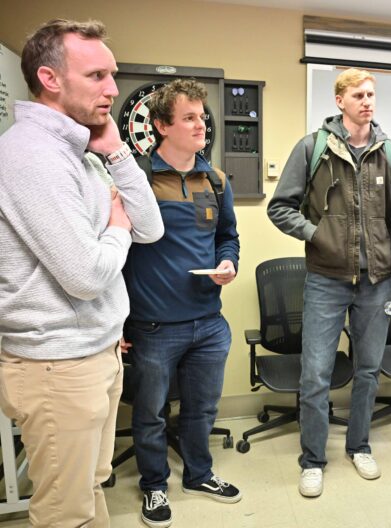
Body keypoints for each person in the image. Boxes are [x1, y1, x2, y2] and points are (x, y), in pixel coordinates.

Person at [0, 19, 163, 527]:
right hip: (56, 366)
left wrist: (116, 151)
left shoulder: (82, 148)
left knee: (90, 489)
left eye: (111, 75)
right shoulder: (33, 155)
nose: (113, 89)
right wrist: (116, 228)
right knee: (64, 512)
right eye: (96, 76)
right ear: (50, 78)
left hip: (95, 351)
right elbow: (87, 276)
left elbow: (152, 228)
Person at [268, 68, 391, 498]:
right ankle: (313, 459)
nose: (367, 101)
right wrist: (317, 235)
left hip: (376, 282)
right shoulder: (313, 147)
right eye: (358, 94)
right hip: (326, 281)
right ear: (340, 101)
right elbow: (280, 208)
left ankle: (359, 446)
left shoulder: (389, 153)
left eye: (371, 94)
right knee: (315, 374)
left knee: (368, 371)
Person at [122, 78, 241, 527]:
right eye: (188, 118)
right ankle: (153, 487)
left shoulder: (215, 178)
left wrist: (228, 264)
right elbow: (115, 252)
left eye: (201, 117)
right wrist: (117, 326)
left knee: (202, 409)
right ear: (160, 125)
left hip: (208, 322)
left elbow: (227, 237)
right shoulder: (136, 179)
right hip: (154, 326)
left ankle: (199, 473)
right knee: (151, 414)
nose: (200, 125)